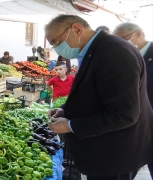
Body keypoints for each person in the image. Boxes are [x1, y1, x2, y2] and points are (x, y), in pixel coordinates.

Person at [45, 14, 153, 180]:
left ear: (76, 29)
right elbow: (94, 94)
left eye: (57, 42)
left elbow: (123, 114)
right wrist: (65, 110)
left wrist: (71, 125)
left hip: (115, 155)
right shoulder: (97, 49)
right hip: (107, 152)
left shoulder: (114, 53)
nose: (57, 49)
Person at [113, 22, 153, 179]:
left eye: (123, 38)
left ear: (138, 34)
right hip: (133, 127)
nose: (119, 43)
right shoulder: (123, 56)